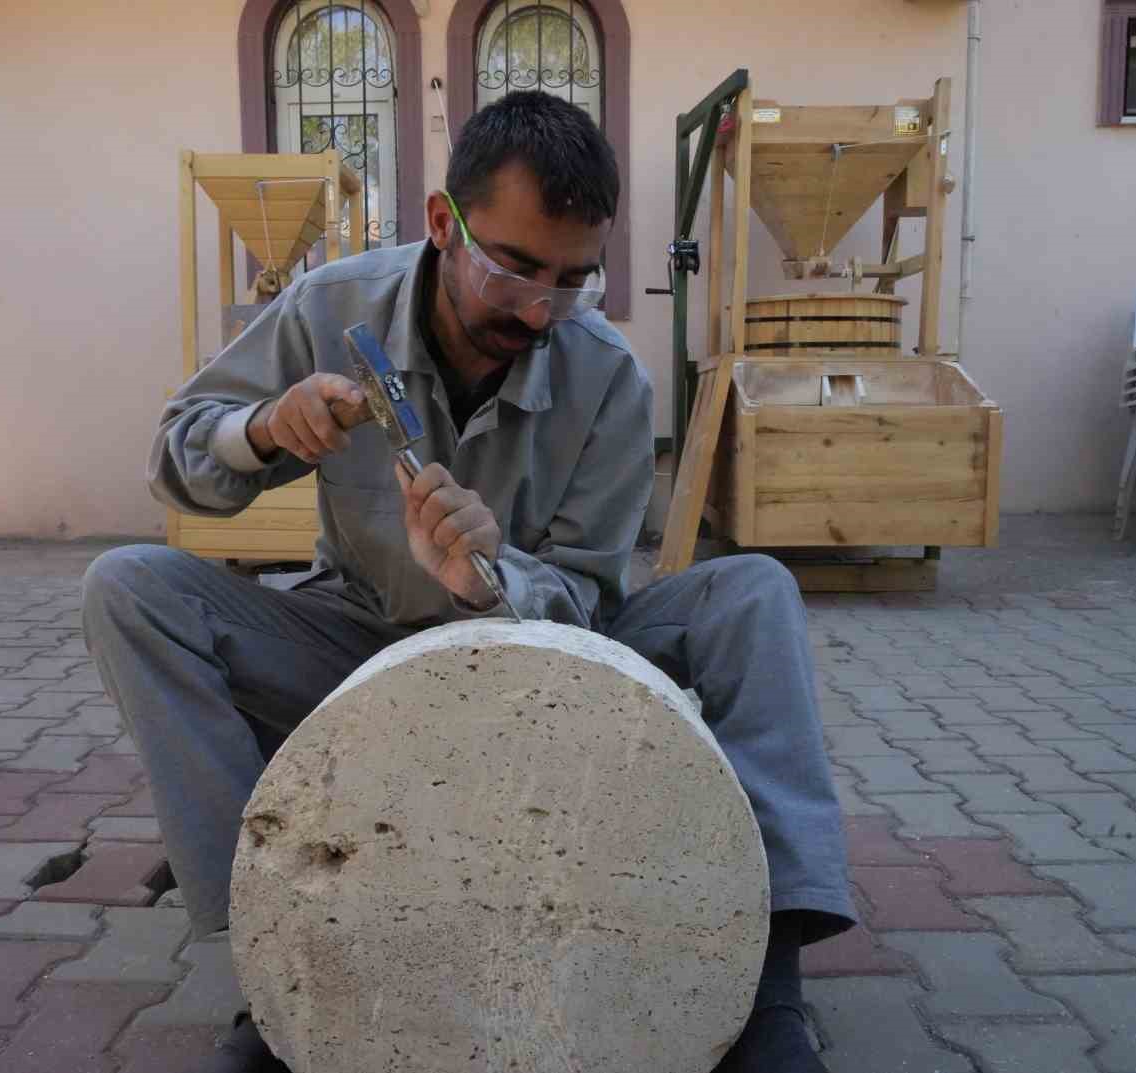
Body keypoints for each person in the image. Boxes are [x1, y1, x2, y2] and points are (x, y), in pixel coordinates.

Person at [82, 90, 854, 1073]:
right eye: (514, 267)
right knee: (131, 589)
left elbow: (588, 596)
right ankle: (282, 962)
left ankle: (769, 990)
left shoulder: (609, 377)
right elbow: (174, 458)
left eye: (571, 281)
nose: (537, 309)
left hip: (559, 659)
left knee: (753, 593)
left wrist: (493, 581)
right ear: (444, 223)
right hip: (363, 642)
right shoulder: (330, 308)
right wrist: (265, 429)